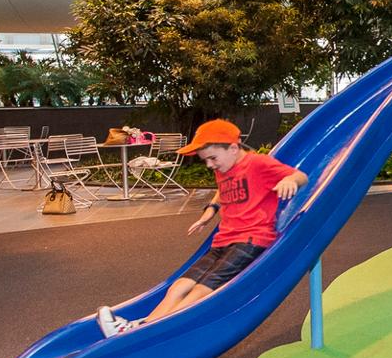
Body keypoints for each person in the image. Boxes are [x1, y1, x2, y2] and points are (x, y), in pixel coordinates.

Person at [97, 119, 308, 337]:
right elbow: (222, 190)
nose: (210, 165)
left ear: (234, 149)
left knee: (201, 290)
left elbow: (300, 176)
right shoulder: (223, 166)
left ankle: (152, 331)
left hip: (251, 240)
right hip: (223, 240)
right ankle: (145, 325)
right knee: (179, 286)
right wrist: (210, 212)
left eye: (213, 158)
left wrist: (289, 181)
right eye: (206, 160)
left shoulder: (258, 164)